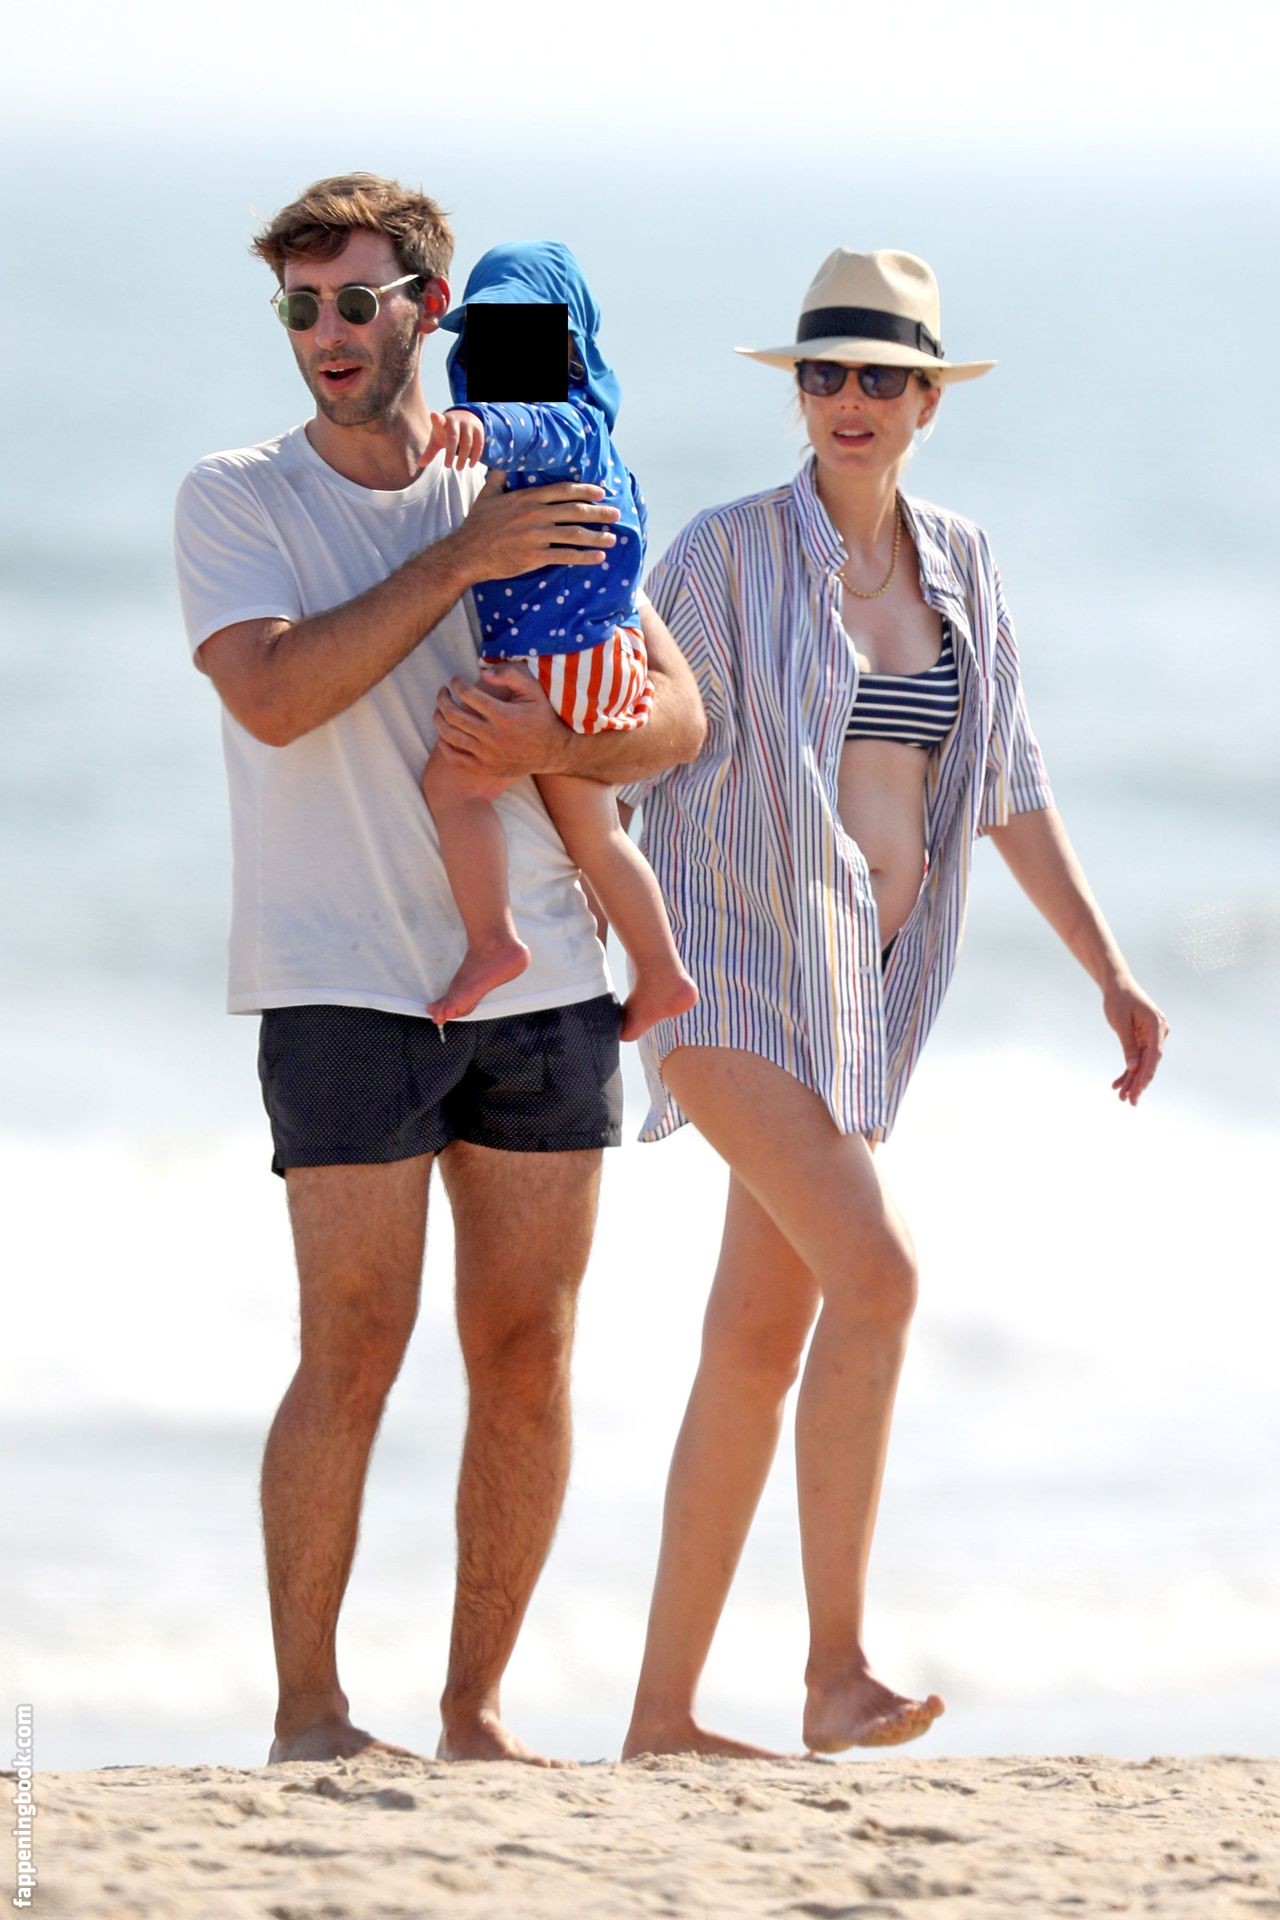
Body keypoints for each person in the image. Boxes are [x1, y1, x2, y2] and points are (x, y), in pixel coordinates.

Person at [172, 173, 704, 1767]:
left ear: (431, 306)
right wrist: (461, 561)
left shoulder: (527, 451)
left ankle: (476, 1716)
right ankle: (311, 1714)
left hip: (547, 989)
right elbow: (276, 696)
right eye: (300, 307)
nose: (326, 332)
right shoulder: (238, 497)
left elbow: (677, 716)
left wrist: (561, 738)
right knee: (351, 1348)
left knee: (529, 1355)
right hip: (339, 983)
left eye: (356, 300)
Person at [619, 248, 1169, 1760]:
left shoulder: (962, 567)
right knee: (880, 1275)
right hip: (728, 972)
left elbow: (1007, 785)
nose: (847, 400)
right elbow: (624, 731)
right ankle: (836, 1671)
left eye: (879, 376)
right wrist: (583, 894)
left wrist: (1107, 968)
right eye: (823, 373)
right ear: (797, 390)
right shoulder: (722, 557)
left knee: (754, 1341)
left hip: (861, 1000)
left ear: (928, 400)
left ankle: (661, 1716)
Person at [420, 241, 697, 1039]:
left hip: (557, 660)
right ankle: (661, 972)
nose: (503, 357)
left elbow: (529, 424)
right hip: (597, 656)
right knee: (596, 834)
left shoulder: (568, 423)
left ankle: (493, 942)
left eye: (524, 338)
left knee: (455, 788)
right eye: (490, 339)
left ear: (567, 349)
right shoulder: (591, 448)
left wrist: (476, 423)